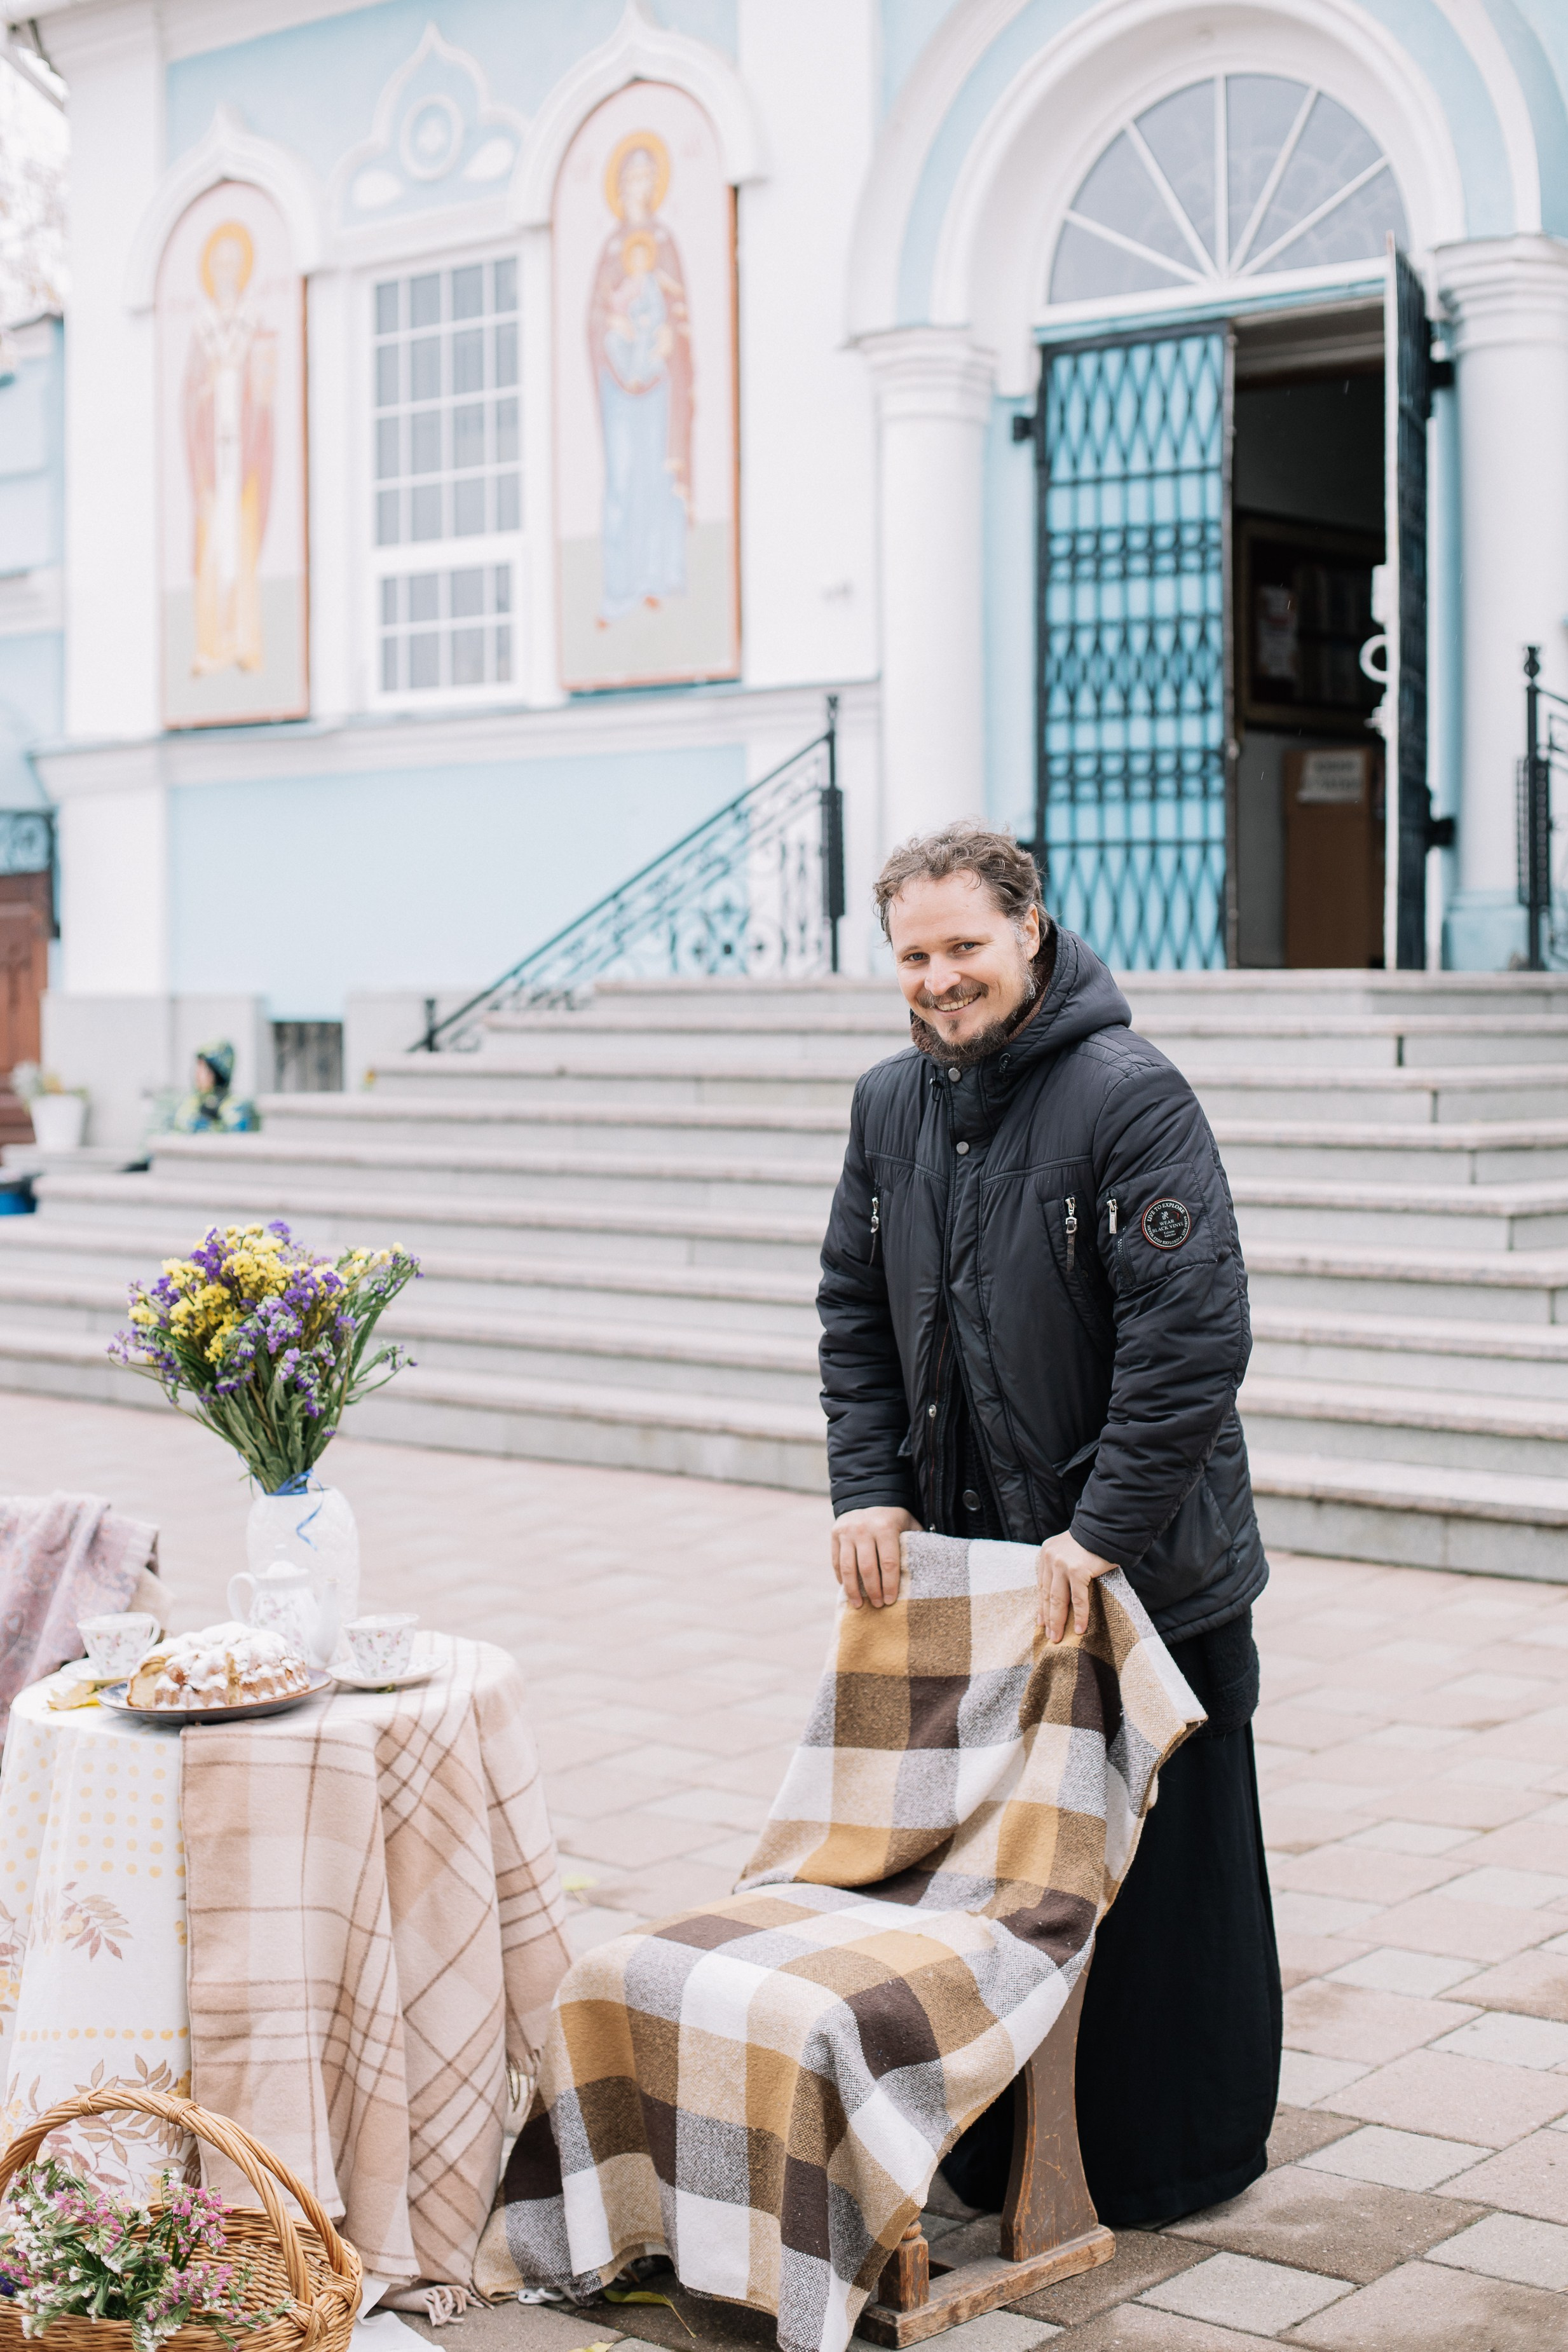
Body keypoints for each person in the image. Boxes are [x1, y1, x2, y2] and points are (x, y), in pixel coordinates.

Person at [816, 821, 1281, 2229]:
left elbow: (1191, 1337)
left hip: (1147, 1572)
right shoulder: (889, 1101)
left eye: (964, 944)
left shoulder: (1129, 1093)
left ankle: (1172, 2153)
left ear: (1029, 929)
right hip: (981, 1578)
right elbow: (855, 1311)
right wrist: (868, 1485)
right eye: (913, 953)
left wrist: (1100, 1531)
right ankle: (992, 2147)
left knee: (1165, 1870)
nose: (940, 976)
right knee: (999, 1865)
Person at [167, 1039, 259, 1135]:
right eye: (198, 1066)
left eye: (204, 1068)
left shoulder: (234, 1105)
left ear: (217, 1073)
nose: (198, 1073)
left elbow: (236, 1139)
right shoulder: (189, 1101)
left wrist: (209, 1122)